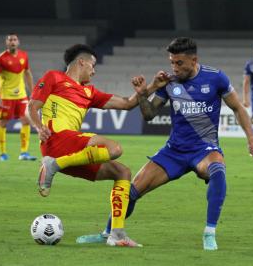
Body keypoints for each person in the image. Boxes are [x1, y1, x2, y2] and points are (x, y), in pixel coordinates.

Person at [77, 37, 253, 250]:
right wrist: (141, 94)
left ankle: (209, 233)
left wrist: (251, 140)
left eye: (179, 63)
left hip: (204, 149)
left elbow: (238, 108)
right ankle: (108, 232)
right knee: (131, 191)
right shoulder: (169, 82)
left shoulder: (216, 78)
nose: (174, 68)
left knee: (218, 170)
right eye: (171, 62)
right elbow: (149, 115)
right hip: (174, 151)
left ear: (194, 60)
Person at [26, 44, 171, 247]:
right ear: (82, 61)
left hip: (70, 151)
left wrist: (152, 87)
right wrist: (39, 126)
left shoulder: (89, 92)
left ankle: (117, 235)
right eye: (93, 65)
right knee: (115, 149)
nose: (94, 71)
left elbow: (127, 104)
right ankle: (54, 164)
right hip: (56, 139)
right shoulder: (54, 77)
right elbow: (31, 106)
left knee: (123, 173)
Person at [0, 33, 36, 161]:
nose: (13, 42)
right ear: (7, 42)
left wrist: (32, 92)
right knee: (4, 123)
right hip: (6, 95)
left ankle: (24, 153)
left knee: (26, 121)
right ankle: (2, 153)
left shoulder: (24, 55)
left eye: (15, 39)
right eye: (10, 40)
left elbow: (28, 73)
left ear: (18, 42)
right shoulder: (1, 58)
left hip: (21, 95)